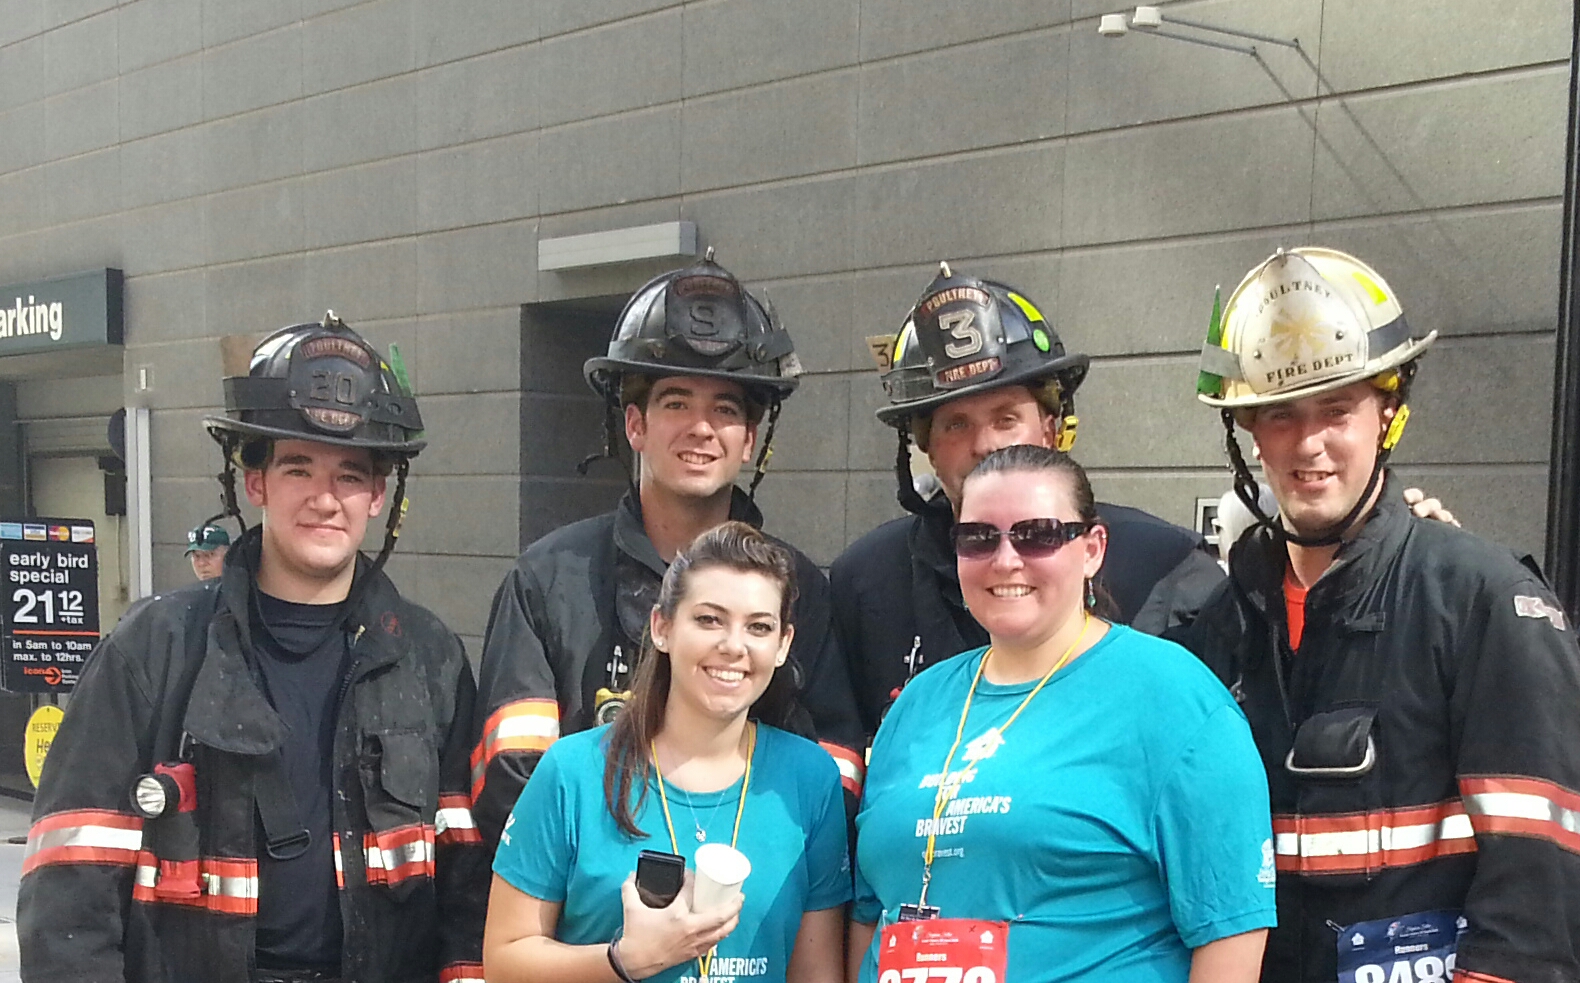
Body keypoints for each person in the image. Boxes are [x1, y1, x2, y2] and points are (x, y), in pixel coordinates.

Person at [18, 313, 488, 983]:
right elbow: (69, 893)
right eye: (298, 467)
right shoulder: (153, 651)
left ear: (379, 495)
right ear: (255, 480)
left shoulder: (430, 658)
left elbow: (469, 880)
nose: (325, 498)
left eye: (350, 474)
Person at [1187, 246, 1580, 982]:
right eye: (1280, 415)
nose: (1309, 443)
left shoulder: (1482, 601)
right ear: (1249, 435)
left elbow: (1538, 893)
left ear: (1388, 415)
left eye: (1337, 409)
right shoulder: (1223, 626)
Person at [474, 251, 865, 848]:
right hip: (590, 899)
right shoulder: (547, 581)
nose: (701, 428)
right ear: (635, 425)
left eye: (725, 409)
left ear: (749, 440)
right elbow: (513, 782)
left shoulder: (800, 588)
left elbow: (832, 772)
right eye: (677, 402)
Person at [849, 445, 1275, 983]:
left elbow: (1229, 931)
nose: (1006, 559)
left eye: (1038, 535)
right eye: (978, 538)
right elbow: (869, 913)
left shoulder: (1173, 697)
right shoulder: (917, 704)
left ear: (1093, 549)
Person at [831, 264, 1226, 738]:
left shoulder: (1166, 570)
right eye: (956, 424)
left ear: (1051, 430)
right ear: (927, 447)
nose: (985, 445)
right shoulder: (866, 584)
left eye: (1006, 418)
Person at [484, 522, 848, 983]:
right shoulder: (572, 771)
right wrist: (624, 960)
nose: (733, 646)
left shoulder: (809, 777)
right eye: (709, 620)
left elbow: (816, 972)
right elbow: (504, 962)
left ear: (783, 646)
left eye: (758, 627)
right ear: (662, 627)